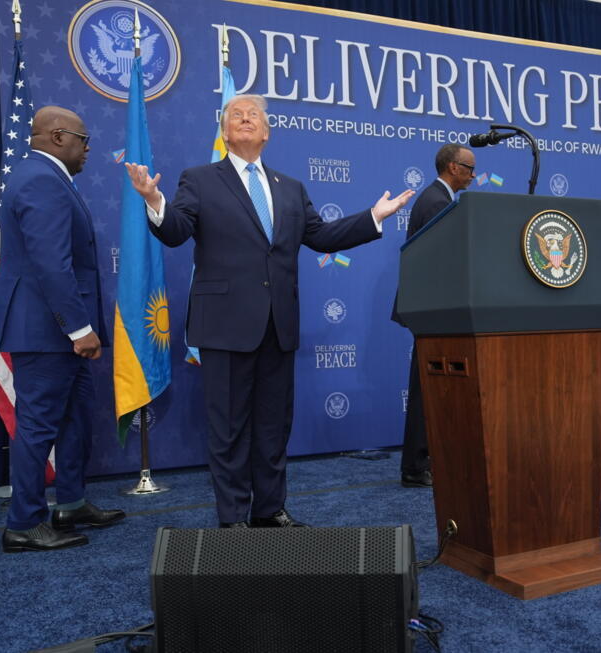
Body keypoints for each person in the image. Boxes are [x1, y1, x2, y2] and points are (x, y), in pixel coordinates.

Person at [125, 94, 414, 528]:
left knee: (273, 427)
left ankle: (269, 509)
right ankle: (234, 518)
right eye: (235, 115)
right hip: (224, 326)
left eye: (253, 115)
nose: (244, 119)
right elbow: (177, 230)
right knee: (228, 430)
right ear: (224, 132)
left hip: (278, 325)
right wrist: (153, 200)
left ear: (267, 132)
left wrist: (374, 215)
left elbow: (321, 237)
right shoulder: (200, 180)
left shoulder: (290, 188)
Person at [0, 106, 126, 553]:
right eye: (85, 141)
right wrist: (80, 328)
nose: (88, 150)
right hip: (47, 331)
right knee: (39, 426)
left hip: (55, 331)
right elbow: (51, 263)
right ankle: (24, 524)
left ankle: (71, 502)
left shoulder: (48, 177)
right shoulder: (42, 179)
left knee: (74, 418)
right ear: (59, 136)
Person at [391, 143, 477, 488]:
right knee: (426, 390)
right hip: (433, 311)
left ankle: (423, 461)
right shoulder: (437, 202)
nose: (474, 174)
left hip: (432, 308)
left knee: (429, 388)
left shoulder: (436, 199)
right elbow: (441, 261)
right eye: (470, 168)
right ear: (453, 168)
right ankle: (416, 465)